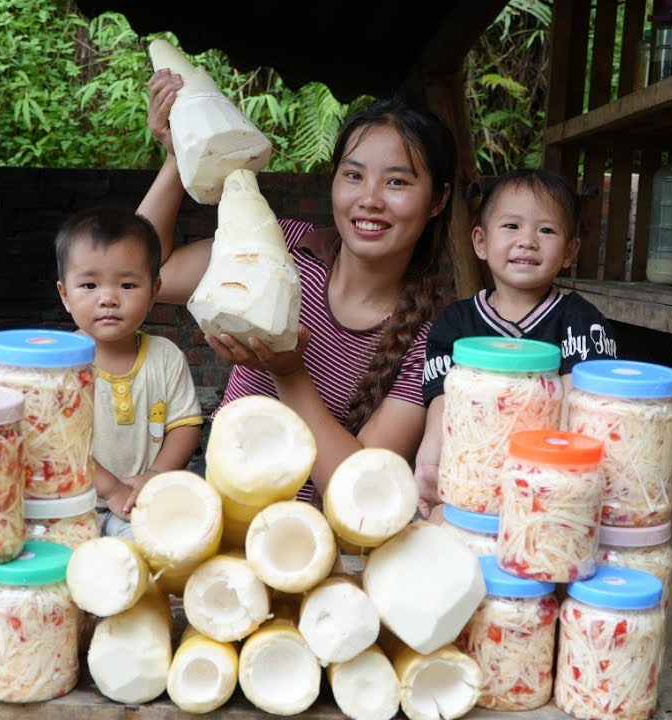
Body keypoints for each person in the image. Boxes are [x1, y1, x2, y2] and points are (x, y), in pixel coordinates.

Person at [137, 69, 457, 501]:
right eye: (354, 175)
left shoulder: (433, 338)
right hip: (219, 520)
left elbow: (358, 490)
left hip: (313, 548)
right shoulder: (282, 244)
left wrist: (287, 371)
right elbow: (148, 275)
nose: (370, 198)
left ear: (438, 199)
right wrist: (181, 158)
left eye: (397, 181)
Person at [414, 168, 618, 516]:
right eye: (511, 226)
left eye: (546, 230)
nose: (528, 240)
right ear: (480, 241)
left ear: (570, 251)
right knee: (439, 523)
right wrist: (431, 460)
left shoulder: (579, 320)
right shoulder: (457, 322)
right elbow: (444, 401)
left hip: (549, 487)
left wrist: (556, 480)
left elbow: (577, 409)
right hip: (475, 478)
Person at [54, 206, 203, 538]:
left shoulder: (166, 358)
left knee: (152, 549)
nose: (108, 298)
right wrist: (109, 488)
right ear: (65, 295)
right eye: (90, 285)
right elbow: (60, 444)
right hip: (69, 507)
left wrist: (156, 474)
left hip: (140, 505)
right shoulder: (60, 365)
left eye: (127, 285)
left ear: (154, 292)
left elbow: (185, 425)